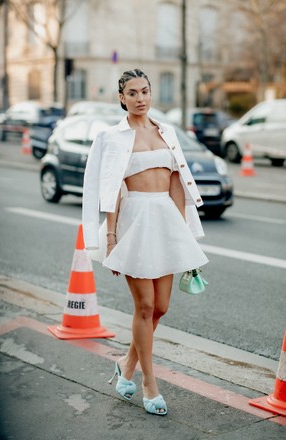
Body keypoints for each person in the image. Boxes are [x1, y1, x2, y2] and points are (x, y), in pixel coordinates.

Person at [82, 68, 208, 416]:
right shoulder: (112, 137)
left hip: (165, 219)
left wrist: (183, 237)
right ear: (121, 97)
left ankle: (125, 364)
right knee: (145, 307)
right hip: (133, 222)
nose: (140, 98)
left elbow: (177, 184)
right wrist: (110, 238)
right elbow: (110, 191)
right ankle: (149, 384)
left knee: (162, 306)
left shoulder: (165, 132)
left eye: (145, 91)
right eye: (133, 93)